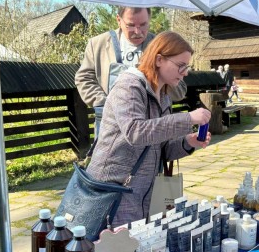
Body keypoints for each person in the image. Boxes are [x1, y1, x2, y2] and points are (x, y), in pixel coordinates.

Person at [86, 31, 211, 227]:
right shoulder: (128, 86)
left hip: (139, 195)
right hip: (110, 193)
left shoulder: (163, 95)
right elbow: (136, 132)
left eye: (187, 66)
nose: (185, 72)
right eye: (181, 65)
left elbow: (161, 150)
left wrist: (188, 142)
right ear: (159, 59)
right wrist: (188, 118)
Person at [75, 7, 186, 140]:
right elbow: (84, 78)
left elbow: (180, 92)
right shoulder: (97, 44)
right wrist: (106, 104)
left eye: (143, 25)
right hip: (109, 128)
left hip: (150, 128)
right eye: (131, 25)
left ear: (149, 19)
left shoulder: (162, 47)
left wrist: (162, 73)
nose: (138, 32)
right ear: (118, 20)